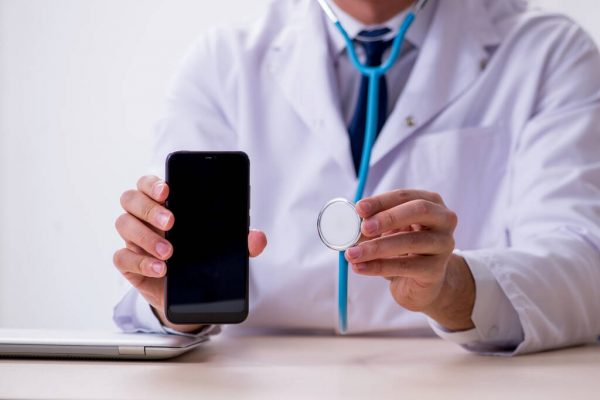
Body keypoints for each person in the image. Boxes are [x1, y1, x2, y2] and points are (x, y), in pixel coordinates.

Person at [112, 0, 600, 355]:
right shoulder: (222, 63)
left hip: (455, 373)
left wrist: (452, 288)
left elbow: (585, 262)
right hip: (256, 379)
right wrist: (171, 298)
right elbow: (164, 256)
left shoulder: (549, 53)